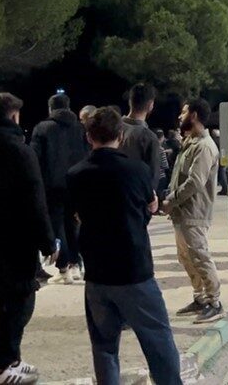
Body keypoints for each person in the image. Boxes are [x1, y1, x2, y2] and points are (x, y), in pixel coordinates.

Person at [66, 107, 183, 385]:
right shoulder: (137, 170)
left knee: (104, 346)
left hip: (97, 273)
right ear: (120, 135)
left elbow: (74, 216)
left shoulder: (75, 174)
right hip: (134, 270)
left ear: (88, 137)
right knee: (157, 340)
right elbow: (146, 210)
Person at [0, 93, 57, 385]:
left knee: (2, 298)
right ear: (13, 116)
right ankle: (1, 364)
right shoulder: (20, 151)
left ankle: (12, 359)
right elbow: (35, 198)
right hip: (18, 238)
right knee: (22, 299)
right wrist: (47, 241)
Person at [163, 98, 224, 324]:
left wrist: (171, 200)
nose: (180, 116)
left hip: (194, 212)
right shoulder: (190, 142)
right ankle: (200, 298)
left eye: (184, 112)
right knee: (186, 257)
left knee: (200, 256)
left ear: (194, 115)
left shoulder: (205, 146)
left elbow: (195, 182)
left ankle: (214, 302)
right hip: (182, 212)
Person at [30, 93, 90, 285]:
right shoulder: (80, 128)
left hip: (52, 185)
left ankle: (63, 268)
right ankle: (76, 263)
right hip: (77, 183)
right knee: (73, 225)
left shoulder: (42, 128)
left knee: (57, 226)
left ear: (50, 108)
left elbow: (35, 157)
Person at [118, 84, 165, 205]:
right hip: (134, 201)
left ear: (130, 101)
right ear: (150, 105)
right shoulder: (148, 137)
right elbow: (152, 177)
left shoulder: (112, 127)